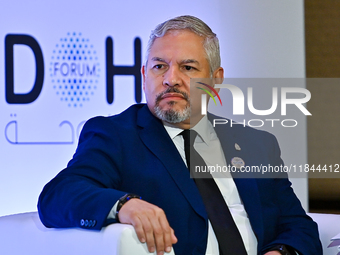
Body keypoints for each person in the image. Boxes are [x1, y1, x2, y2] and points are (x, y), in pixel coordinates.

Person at [38, 15, 322, 255]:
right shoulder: (116, 136)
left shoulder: (256, 144)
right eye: (159, 66)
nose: (170, 79)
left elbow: (298, 225)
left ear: (215, 78)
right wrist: (124, 204)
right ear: (144, 74)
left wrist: (281, 252)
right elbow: (58, 196)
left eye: (187, 67)